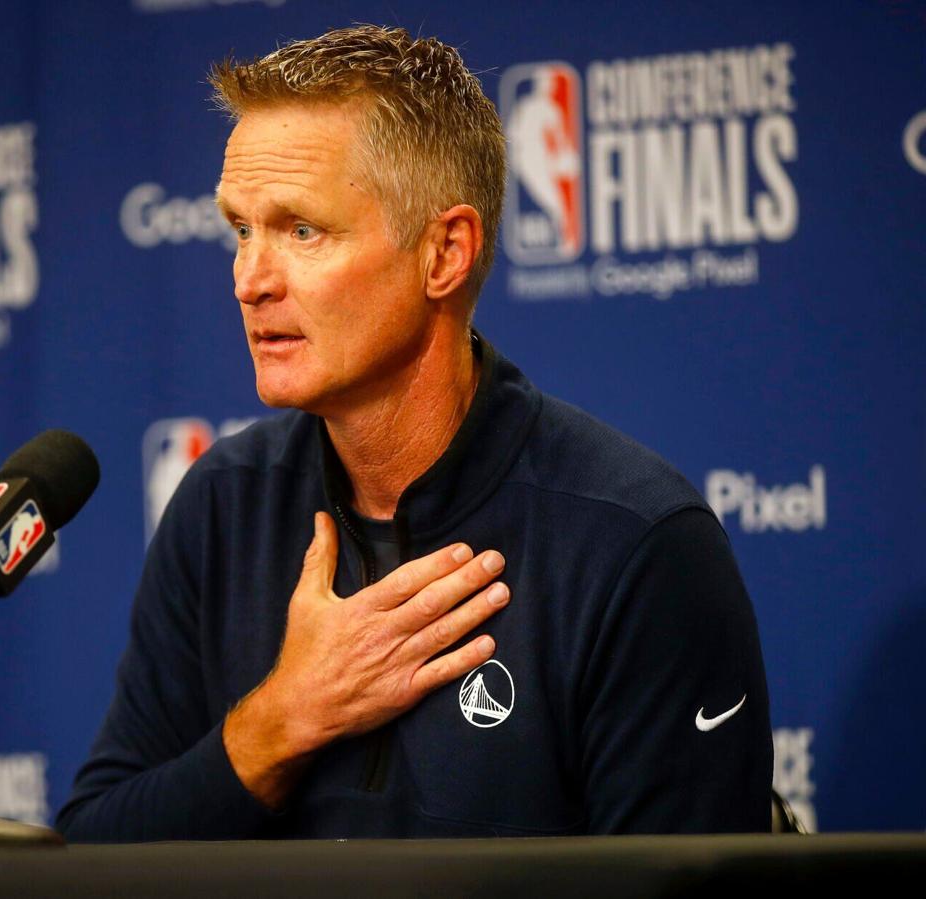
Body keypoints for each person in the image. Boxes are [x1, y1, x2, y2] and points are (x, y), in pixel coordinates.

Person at [57, 24, 772, 841]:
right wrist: (283, 719)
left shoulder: (634, 542)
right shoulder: (221, 505)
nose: (251, 280)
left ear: (444, 253)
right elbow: (92, 854)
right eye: (240, 230)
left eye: (301, 231)